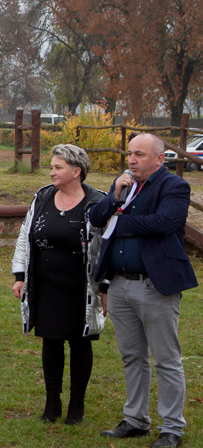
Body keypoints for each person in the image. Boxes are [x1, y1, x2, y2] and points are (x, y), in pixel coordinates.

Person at [90, 133, 197, 448]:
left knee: (166, 358)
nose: (131, 160)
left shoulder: (174, 187)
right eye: (129, 154)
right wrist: (113, 199)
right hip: (121, 283)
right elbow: (97, 219)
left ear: (159, 159)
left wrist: (120, 222)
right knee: (132, 356)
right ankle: (136, 420)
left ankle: (172, 428)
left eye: (139, 154)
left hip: (155, 284)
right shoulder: (122, 183)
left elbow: (164, 223)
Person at [11, 144, 107, 425]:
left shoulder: (97, 203)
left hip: (81, 288)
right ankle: (52, 402)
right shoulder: (42, 197)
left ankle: (76, 405)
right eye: (51, 167)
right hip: (46, 285)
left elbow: (106, 247)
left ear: (76, 172)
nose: (51, 172)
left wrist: (105, 288)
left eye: (58, 167)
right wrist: (20, 276)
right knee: (51, 342)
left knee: (80, 344)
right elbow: (24, 235)